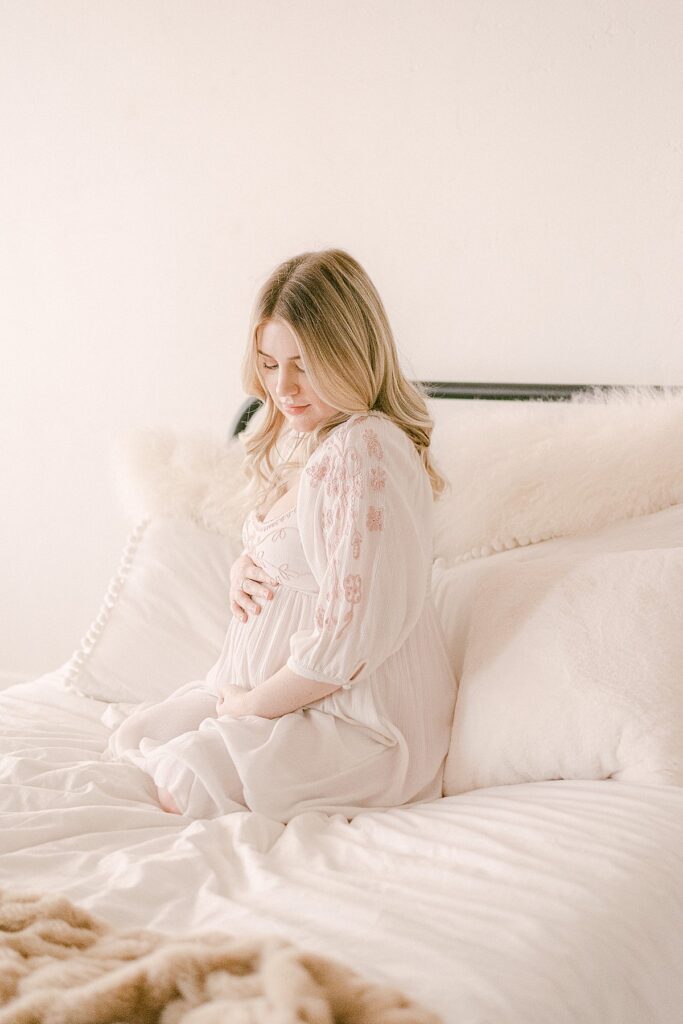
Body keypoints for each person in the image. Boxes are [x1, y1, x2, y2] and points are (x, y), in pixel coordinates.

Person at [103, 248, 457, 822]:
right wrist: (246, 565)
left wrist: (249, 707)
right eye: (269, 363)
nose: (284, 387)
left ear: (352, 354)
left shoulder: (363, 447)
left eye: (305, 363)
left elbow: (354, 631)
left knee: (181, 779)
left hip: (356, 720)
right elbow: (313, 557)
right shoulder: (311, 439)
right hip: (279, 699)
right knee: (139, 736)